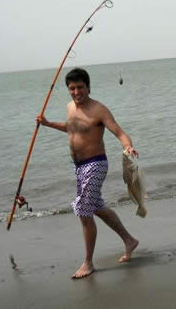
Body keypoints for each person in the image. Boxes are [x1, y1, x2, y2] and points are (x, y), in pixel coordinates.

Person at [36, 67, 139, 278]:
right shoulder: (69, 107)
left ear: (88, 87)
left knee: (84, 210)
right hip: (79, 167)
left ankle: (88, 263)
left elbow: (119, 132)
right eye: (72, 88)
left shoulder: (99, 110)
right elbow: (71, 128)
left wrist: (127, 146)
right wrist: (48, 124)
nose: (76, 92)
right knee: (97, 207)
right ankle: (129, 240)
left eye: (80, 87)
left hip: (96, 164)